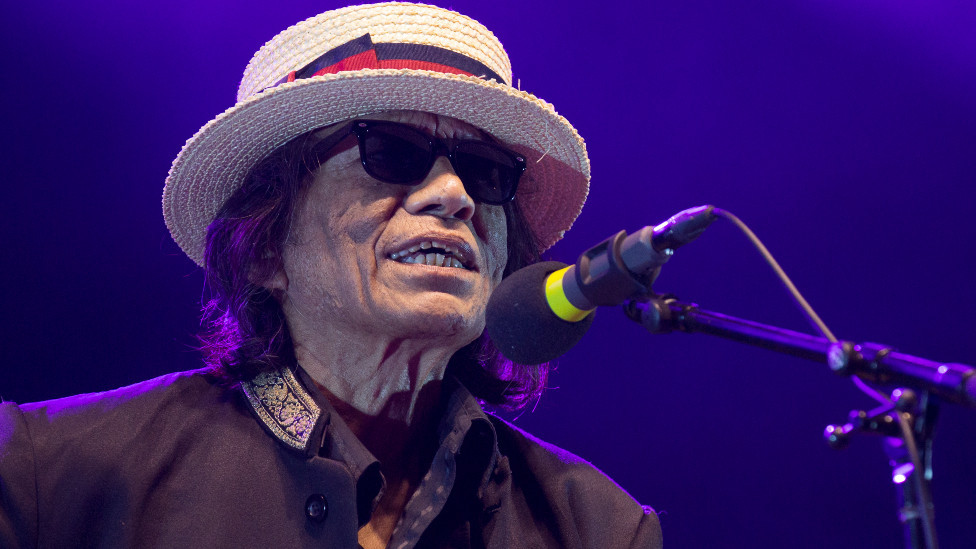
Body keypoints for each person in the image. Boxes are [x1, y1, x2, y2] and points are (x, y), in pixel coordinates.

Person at [0, 3, 662, 548]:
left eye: (485, 171)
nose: (455, 195)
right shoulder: (48, 475)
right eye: (393, 152)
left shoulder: (599, 528)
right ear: (264, 245)